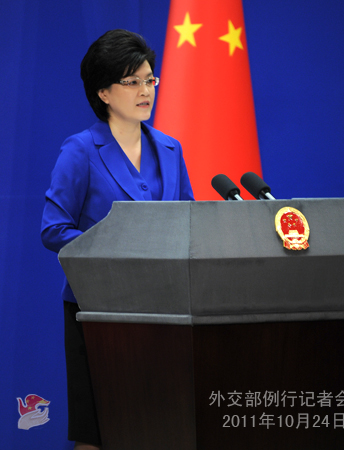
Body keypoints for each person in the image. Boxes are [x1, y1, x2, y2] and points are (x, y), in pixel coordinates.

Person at [41, 29, 194, 450]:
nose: (146, 91)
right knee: (99, 431)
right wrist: (116, 246)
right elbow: (54, 229)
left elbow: (189, 221)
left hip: (165, 308)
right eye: (132, 82)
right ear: (104, 92)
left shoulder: (171, 149)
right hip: (97, 307)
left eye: (150, 80)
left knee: (162, 424)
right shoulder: (80, 150)